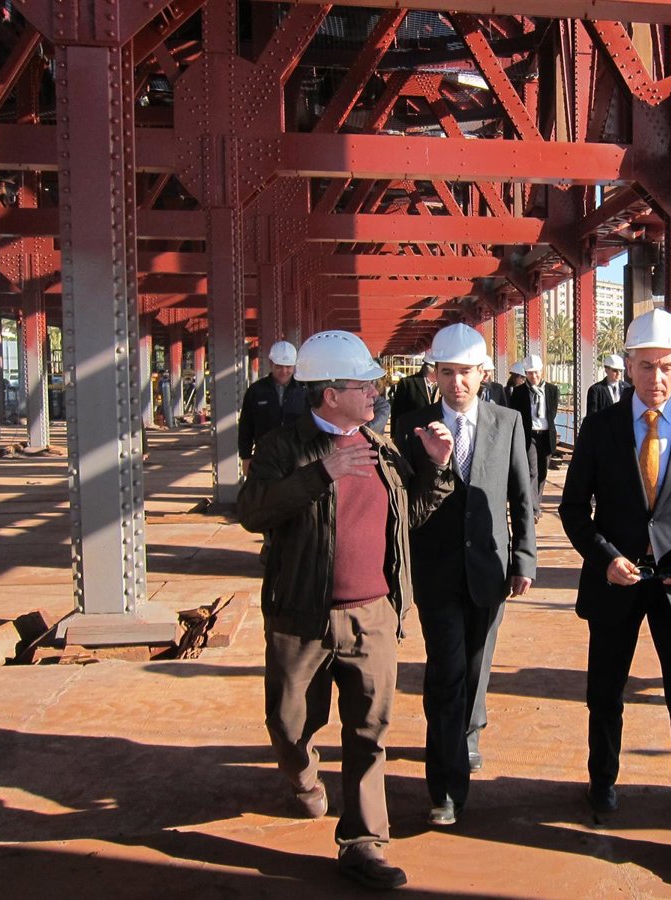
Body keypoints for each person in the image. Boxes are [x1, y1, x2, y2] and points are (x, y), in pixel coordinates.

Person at [237, 330, 455, 891]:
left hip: (373, 616)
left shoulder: (382, 447)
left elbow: (408, 517)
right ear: (331, 394)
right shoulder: (282, 448)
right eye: (365, 386)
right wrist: (321, 474)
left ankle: (363, 843)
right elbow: (253, 511)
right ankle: (304, 778)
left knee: (369, 732)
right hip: (300, 617)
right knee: (288, 724)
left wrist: (436, 469)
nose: (376, 393)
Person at [559, 309, 671, 872]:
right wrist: (605, 558)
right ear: (629, 365)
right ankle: (602, 781)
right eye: (644, 366)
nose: (655, 378)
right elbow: (573, 509)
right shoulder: (599, 428)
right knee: (605, 692)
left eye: (665, 367)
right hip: (616, 582)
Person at [398, 324, 536, 827]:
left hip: (489, 569)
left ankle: (468, 732)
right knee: (446, 671)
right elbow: (404, 500)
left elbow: (521, 495)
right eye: (446, 372)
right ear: (434, 375)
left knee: (476, 666)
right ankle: (445, 787)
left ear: (483, 374)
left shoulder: (508, 422)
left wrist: (524, 558)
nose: (456, 383)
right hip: (435, 570)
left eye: (465, 373)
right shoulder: (410, 425)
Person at [238, 340, 306, 475]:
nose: (284, 371)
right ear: (271, 364)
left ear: (294, 366)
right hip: (265, 457)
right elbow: (246, 426)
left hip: (298, 457)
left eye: (288, 367)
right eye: (279, 366)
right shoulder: (256, 391)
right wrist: (245, 457)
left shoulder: (304, 391)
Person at [510, 354, 559, 522]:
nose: (534, 376)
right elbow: (516, 414)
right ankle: (534, 509)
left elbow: (552, 413)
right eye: (530, 373)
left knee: (543, 472)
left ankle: (536, 502)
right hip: (530, 435)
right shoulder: (519, 392)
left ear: (541, 371)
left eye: (536, 372)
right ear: (525, 373)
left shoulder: (552, 390)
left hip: (546, 435)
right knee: (532, 471)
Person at [390, 356, 438, 442]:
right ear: (431, 369)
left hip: (435, 437)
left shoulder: (441, 386)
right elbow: (396, 411)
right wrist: (395, 435)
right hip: (412, 438)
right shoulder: (408, 383)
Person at [585, 353, 627, 418]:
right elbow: (591, 417)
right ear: (606, 370)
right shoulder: (596, 390)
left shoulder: (627, 388)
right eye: (615, 370)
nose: (618, 374)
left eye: (620, 370)